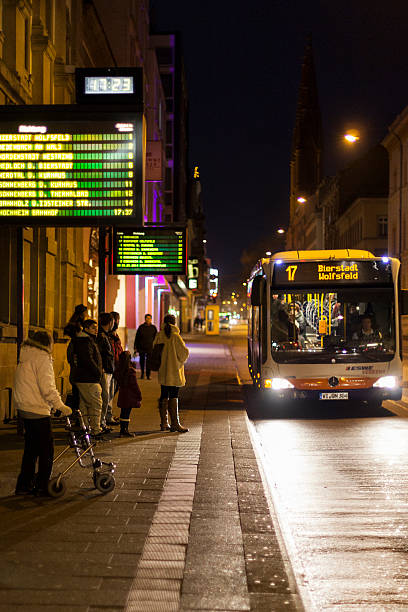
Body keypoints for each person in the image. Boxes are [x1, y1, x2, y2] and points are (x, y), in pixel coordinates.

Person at [14, 331, 72, 496]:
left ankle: (24, 484)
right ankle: (42, 486)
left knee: (31, 448)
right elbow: (47, 388)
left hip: (25, 407)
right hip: (37, 409)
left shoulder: (26, 355)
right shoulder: (42, 358)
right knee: (47, 449)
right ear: (47, 343)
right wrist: (60, 406)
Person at [153, 314, 189, 433]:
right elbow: (183, 353)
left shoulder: (160, 335)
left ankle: (163, 423)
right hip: (173, 371)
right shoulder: (175, 336)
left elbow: (154, 350)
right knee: (174, 395)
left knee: (164, 394)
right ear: (174, 323)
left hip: (163, 371)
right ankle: (175, 423)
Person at [71, 319, 104, 438]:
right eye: (93, 328)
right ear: (86, 329)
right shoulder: (85, 341)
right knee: (96, 404)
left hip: (83, 377)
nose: (96, 330)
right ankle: (96, 430)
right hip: (89, 378)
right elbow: (88, 359)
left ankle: (85, 429)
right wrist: (98, 372)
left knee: (84, 405)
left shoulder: (84, 340)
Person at [64, 304, 88, 420]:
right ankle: (75, 410)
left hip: (73, 352)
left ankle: (74, 409)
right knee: (77, 385)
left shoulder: (73, 323)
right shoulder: (78, 325)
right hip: (76, 353)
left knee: (75, 384)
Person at [114, 351, 142, 437]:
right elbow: (134, 385)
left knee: (123, 412)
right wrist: (139, 394)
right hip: (130, 395)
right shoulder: (130, 371)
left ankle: (122, 430)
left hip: (123, 395)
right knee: (127, 413)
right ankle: (124, 430)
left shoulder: (119, 370)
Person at [97, 312, 115, 432]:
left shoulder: (104, 335)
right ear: (110, 322)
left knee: (107, 396)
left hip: (107, 369)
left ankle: (102, 421)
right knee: (104, 397)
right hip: (104, 370)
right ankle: (101, 422)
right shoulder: (101, 336)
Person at [107, 311, 123, 425]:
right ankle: (107, 417)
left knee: (112, 393)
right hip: (110, 367)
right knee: (108, 394)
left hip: (115, 366)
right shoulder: (109, 336)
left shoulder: (115, 335)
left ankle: (109, 415)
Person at [134, 314, 157, 379]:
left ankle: (148, 375)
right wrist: (135, 347)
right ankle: (142, 374)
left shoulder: (153, 328)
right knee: (142, 361)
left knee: (149, 362)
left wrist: (155, 347)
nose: (148, 319)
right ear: (145, 319)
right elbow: (137, 337)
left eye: (149, 318)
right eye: (147, 318)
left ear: (151, 319)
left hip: (150, 347)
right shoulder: (141, 327)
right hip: (142, 347)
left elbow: (156, 338)